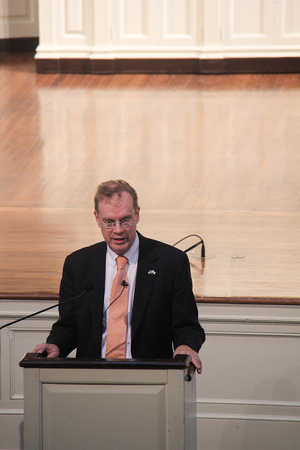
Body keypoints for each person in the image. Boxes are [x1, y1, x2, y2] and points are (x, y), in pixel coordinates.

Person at [33, 180, 205, 373]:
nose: (118, 230)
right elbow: (68, 326)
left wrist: (185, 346)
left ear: (137, 214)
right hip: (91, 377)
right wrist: (56, 344)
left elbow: (187, 326)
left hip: (150, 378)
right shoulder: (78, 264)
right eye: (109, 222)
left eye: (125, 220)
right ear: (97, 218)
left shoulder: (170, 263)